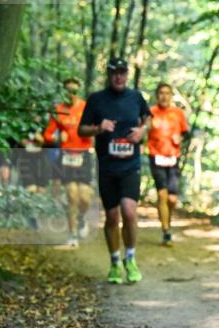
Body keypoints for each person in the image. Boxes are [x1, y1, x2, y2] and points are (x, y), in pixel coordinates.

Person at [78, 57, 153, 284]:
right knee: (111, 216)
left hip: (130, 165)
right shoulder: (96, 99)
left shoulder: (136, 97)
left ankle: (130, 259)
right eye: (115, 73)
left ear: (127, 75)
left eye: (122, 72)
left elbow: (148, 118)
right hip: (107, 166)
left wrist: (143, 131)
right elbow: (81, 130)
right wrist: (99, 128)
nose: (119, 76)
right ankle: (113, 262)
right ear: (109, 75)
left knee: (129, 211)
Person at [44, 77, 93, 247]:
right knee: (72, 195)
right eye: (68, 91)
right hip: (66, 155)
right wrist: (58, 136)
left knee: (85, 197)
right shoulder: (59, 110)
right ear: (63, 92)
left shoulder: (86, 107)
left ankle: (81, 218)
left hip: (84, 154)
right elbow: (47, 135)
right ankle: (72, 235)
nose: (71, 95)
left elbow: (96, 127)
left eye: (74, 92)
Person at [147, 82, 189, 246]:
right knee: (162, 195)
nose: (164, 96)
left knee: (172, 199)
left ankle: (167, 220)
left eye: (167, 93)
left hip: (173, 158)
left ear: (171, 96)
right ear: (157, 96)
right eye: (161, 93)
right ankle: (166, 231)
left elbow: (187, 135)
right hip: (155, 156)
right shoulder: (150, 113)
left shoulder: (178, 113)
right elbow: (143, 131)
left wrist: (181, 139)